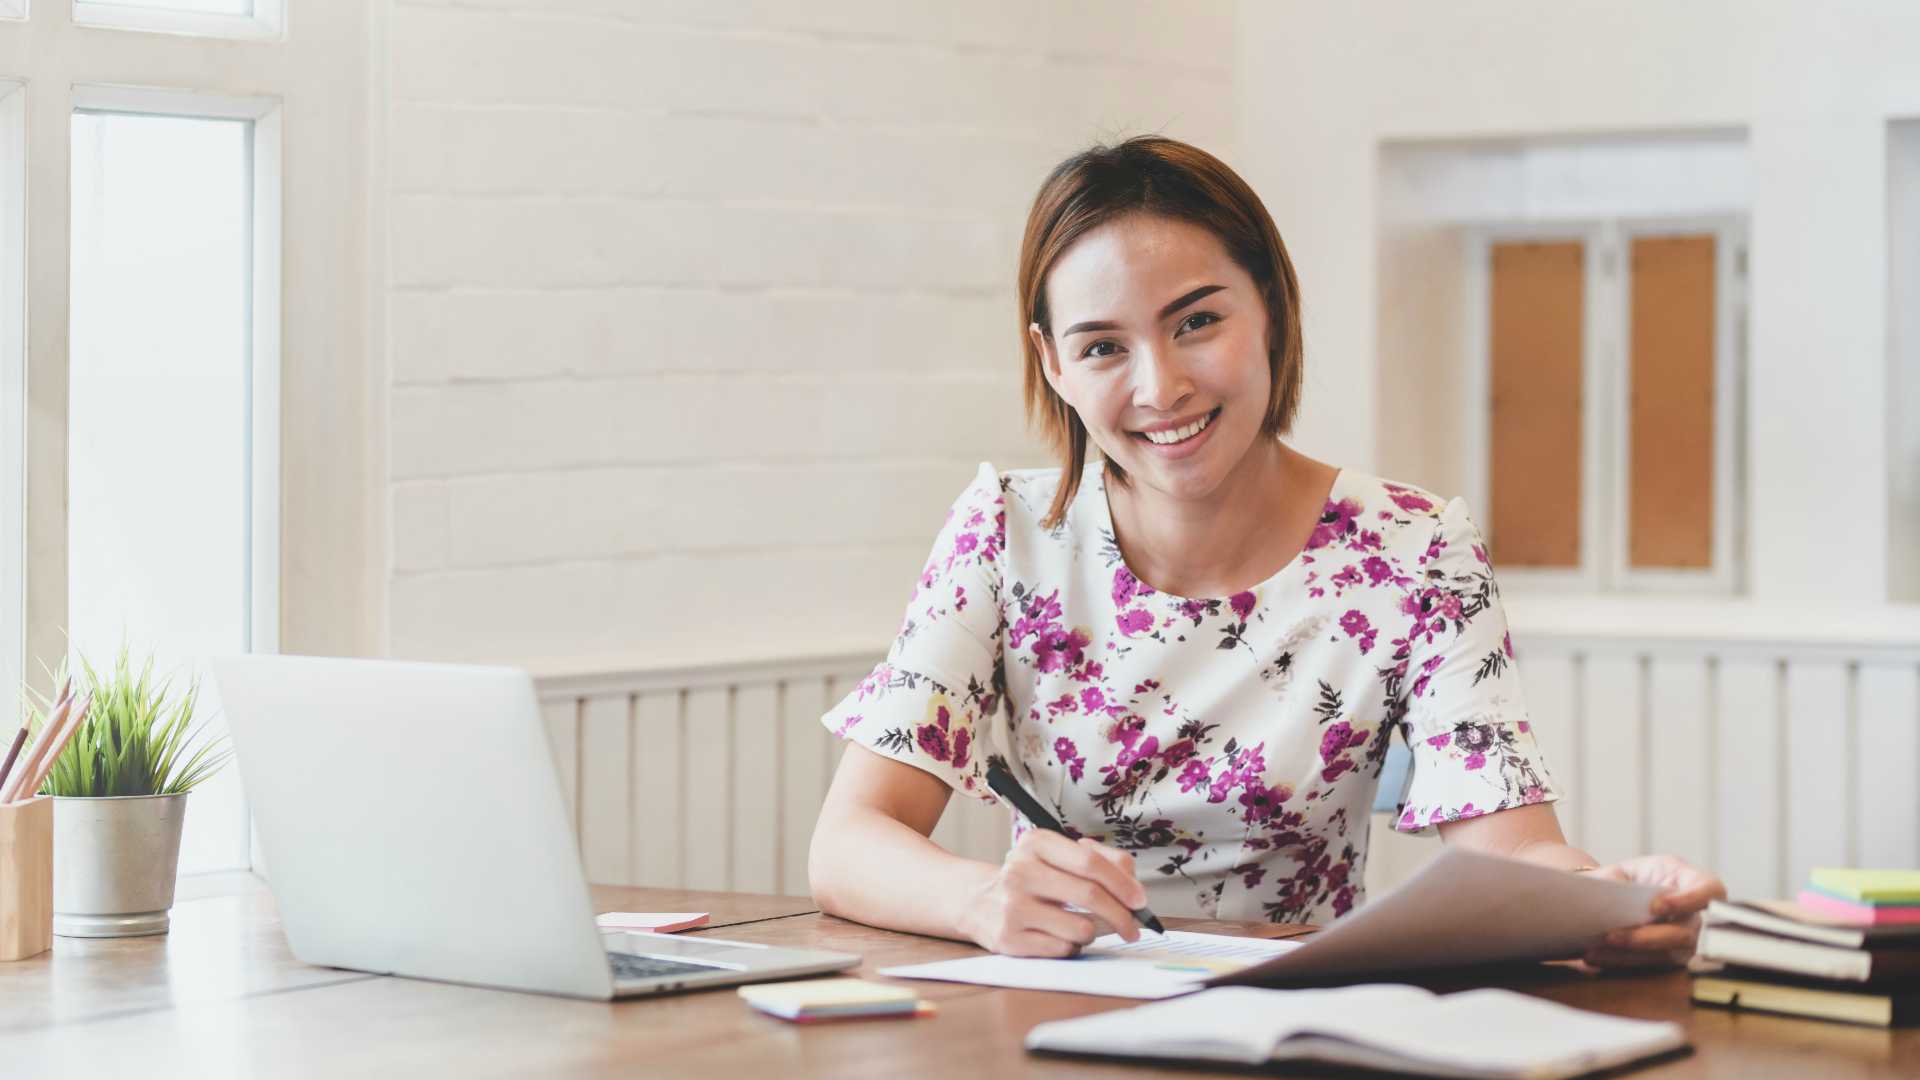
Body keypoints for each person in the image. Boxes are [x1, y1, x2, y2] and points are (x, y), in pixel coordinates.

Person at [807, 135, 1723, 965]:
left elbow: (1514, 850)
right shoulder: (1004, 531)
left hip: (1298, 1020)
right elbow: (849, 839)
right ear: (1053, 364)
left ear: (1273, 310)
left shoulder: (1413, 549)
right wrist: (981, 899)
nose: (1160, 387)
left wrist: (1605, 905)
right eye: (1102, 347)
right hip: (1053, 1012)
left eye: (1197, 322)